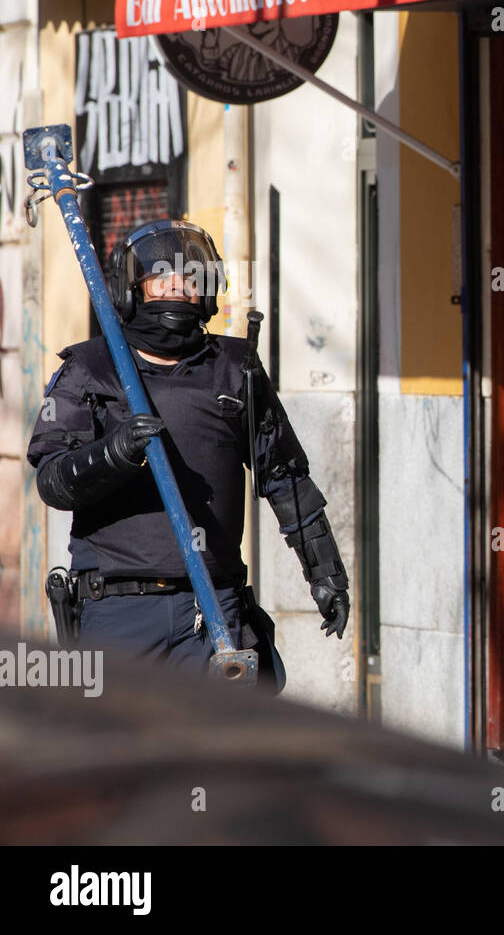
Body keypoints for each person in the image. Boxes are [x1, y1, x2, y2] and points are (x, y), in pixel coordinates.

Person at [27, 219, 349, 685]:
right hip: (120, 613)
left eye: (190, 277)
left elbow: (286, 477)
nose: (178, 286)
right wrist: (113, 454)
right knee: (122, 754)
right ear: (130, 289)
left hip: (214, 607)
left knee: (219, 753)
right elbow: (53, 482)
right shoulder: (89, 370)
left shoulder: (238, 369)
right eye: (163, 277)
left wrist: (325, 573)